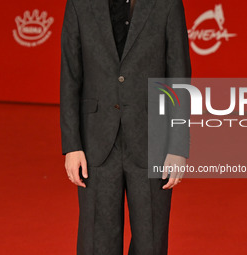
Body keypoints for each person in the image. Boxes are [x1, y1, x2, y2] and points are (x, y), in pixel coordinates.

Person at [60, 0, 191, 254]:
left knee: (151, 243)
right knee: (97, 244)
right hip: (95, 142)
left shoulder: (168, 3)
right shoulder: (79, 3)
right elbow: (70, 76)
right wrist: (72, 145)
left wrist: (177, 146)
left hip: (154, 140)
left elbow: (179, 76)